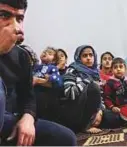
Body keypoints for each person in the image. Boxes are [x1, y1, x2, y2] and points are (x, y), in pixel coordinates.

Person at [0, 0, 77, 145]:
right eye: (4, 15)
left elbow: (28, 97)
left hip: (7, 121)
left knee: (65, 138)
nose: (16, 27)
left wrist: (28, 118)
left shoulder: (21, 56)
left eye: (19, 19)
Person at [61, 45, 103, 133]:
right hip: (74, 111)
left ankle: (93, 121)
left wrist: (100, 111)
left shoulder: (95, 73)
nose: (88, 58)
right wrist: (87, 81)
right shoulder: (72, 70)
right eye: (85, 56)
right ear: (78, 57)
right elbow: (70, 93)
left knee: (113, 118)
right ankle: (85, 126)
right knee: (93, 87)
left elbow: (100, 96)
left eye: (91, 55)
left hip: (90, 111)